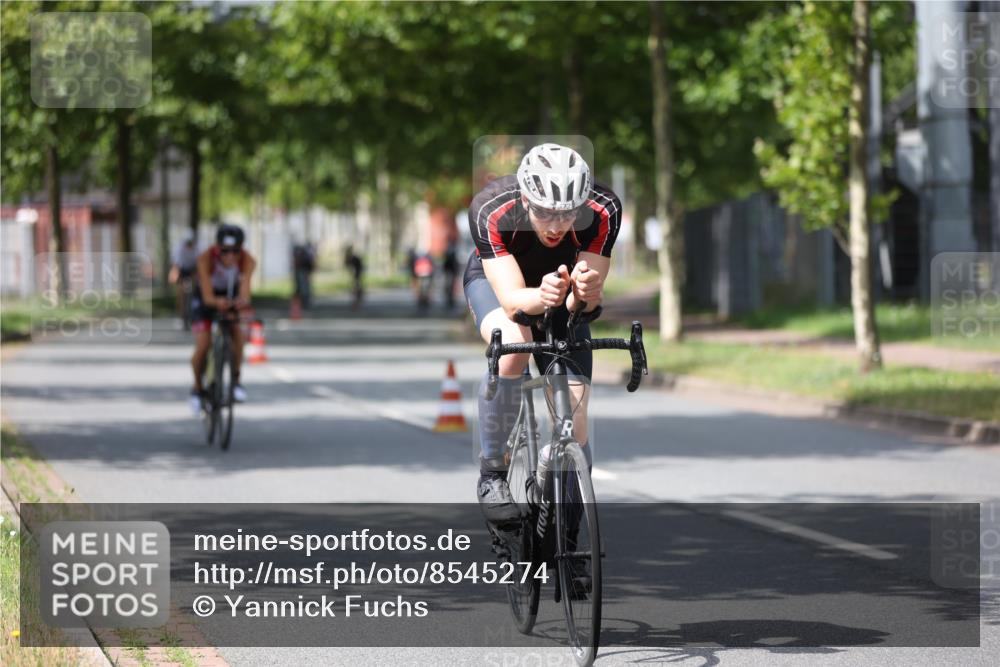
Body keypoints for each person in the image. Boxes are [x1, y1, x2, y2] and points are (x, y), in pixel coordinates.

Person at [463, 143, 621, 529]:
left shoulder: (604, 210)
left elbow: (583, 304)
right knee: (512, 348)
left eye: (568, 214)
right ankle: (493, 476)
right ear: (524, 198)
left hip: (561, 290)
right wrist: (543, 295)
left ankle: (567, 537)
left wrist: (582, 293)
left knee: (576, 414)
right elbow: (514, 300)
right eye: (546, 212)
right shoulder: (491, 209)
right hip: (500, 283)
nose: (556, 225)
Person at [188, 224, 257, 415]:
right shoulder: (205, 259)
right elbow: (208, 296)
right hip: (205, 298)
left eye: (236, 251)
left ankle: (236, 381)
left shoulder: (248, 260)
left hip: (230, 295)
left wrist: (240, 304)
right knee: (203, 345)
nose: (230, 256)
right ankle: (196, 388)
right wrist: (218, 303)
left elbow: (245, 292)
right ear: (217, 248)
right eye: (225, 251)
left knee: (238, 336)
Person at [169, 235, 198, 329]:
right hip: (182, 271)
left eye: (191, 244)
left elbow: (198, 265)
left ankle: (193, 314)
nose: (189, 246)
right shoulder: (179, 250)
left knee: (194, 290)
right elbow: (176, 266)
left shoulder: (196, 250)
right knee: (181, 293)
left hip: (192, 270)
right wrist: (176, 276)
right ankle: (182, 316)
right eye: (188, 244)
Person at [292, 242, 316, 308]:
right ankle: (303, 302)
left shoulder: (302, 253)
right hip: (304, 271)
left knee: (303, 287)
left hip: (303, 271)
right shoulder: (307, 252)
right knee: (304, 287)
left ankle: (303, 302)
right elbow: (311, 262)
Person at [344, 245, 365, 310]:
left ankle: (356, 304)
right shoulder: (351, 258)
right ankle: (356, 302)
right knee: (356, 289)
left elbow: (354, 267)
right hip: (356, 275)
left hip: (357, 275)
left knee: (355, 289)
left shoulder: (353, 258)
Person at [442, 239, 459, 309]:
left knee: (449, 285)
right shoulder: (453, 251)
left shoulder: (448, 251)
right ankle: (450, 298)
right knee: (450, 285)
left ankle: (450, 298)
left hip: (449, 270)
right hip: (451, 270)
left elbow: (445, 262)